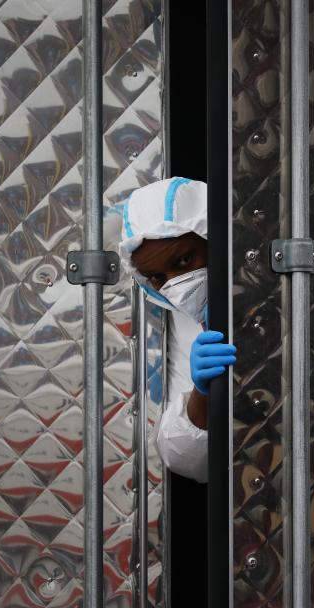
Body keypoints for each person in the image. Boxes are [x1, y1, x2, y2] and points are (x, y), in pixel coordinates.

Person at [117, 177, 236, 483]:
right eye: (157, 277)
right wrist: (203, 392)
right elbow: (188, 460)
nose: (176, 284)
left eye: (184, 260)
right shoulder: (179, 323)